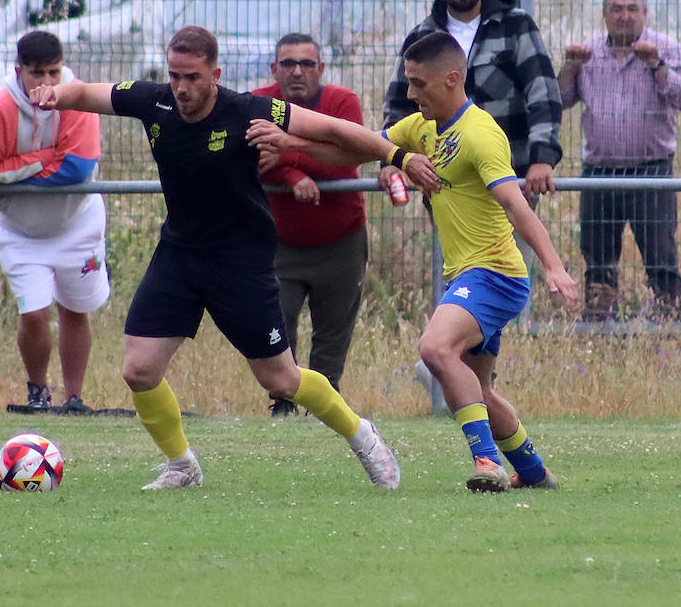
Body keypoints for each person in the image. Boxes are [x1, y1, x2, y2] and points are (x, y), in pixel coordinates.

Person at [30, 26, 429, 490]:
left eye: (193, 77)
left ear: (215, 75)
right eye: (175, 75)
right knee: (138, 370)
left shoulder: (249, 110)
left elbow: (339, 131)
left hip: (240, 261)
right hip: (179, 253)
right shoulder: (152, 100)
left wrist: (398, 157)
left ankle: (364, 436)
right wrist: (54, 93)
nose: (182, 87)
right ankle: (183, 465)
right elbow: (84, 91)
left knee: (280, 380)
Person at [252, 31, 579, 492]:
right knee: (478, 391)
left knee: (435, 350)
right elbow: (357, 149)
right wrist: (293, 146)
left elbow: (515, 203)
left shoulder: (480, 134)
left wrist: (554, 266)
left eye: (418, 84)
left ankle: (487, 463)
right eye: (408, 82)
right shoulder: (422, 127)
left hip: (496, 274)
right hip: (468, 275)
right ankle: (533, 471)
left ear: (451, 79)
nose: (410, 93)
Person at [0, 31, 108, 415]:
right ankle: (38, 391)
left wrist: (19, 172)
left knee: (75, 310)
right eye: (36, 74)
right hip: (20, 232)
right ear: (19, 71)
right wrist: (49, 157)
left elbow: (77, 169)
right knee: (33, 313)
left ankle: (75, 398)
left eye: (53, 72)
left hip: (78, 224)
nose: (47, 83)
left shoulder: (78, 97)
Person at [381, 0, 562, 201]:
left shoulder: (516, 26)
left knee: (509, 244)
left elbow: (543, 94)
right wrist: (392, 160)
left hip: (510, 175)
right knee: (450, 245)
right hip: (444, 178)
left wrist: (542, 158)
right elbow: (400, 104)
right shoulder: (422, 36)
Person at [557, 0, 681, 319]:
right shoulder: (588, 52)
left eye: (632, 8)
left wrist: (657, 65)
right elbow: (558, 101)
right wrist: (569, 68)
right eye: (616, 9)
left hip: (651, 170)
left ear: (644, 13)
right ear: (605, 15)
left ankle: (670, 323)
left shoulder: (666, 48)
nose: (624, 16)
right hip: (600, 172)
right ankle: (599, 328)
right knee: (598, 259)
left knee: (661, 255)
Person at [252, 34, 369, 418]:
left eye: (306, 63)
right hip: (278, 240)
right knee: (275, 321)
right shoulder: (258, 102)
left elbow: (348, 161)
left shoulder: (342, 103)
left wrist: (286, 149)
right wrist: (293, 175)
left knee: (332, 334)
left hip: (341, 239)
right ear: (275, 69)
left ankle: (326, 408)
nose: (297, 71)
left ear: (321, 68)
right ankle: (282, 403)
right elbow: (254, 162)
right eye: (288, 63)